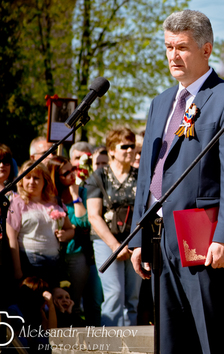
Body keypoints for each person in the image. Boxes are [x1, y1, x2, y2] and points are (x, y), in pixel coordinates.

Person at [129, 10, 224, 354]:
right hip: (159, 238)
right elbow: (147, 175)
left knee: (212, 338)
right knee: (169, 341)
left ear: (206, 49)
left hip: (202, 236)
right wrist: (138, 238)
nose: (173, 55)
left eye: (182, 47)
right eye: (168, 47)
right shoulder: (160, 103)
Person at [86, 127, 141, 326]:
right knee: (114, 294)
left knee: (132, 298)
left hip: (135, 241)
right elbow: (94, 215)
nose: (130, 150)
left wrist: (135, 243)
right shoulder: (98, 177)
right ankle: (110, 341)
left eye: (132, 146)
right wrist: (115, 245)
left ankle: (131, 340)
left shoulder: (141, 175)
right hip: (106, 241)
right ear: (111, 150)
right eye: (124, 146)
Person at [6, 160, 74, 286]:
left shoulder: (55, 202)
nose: (32, 182)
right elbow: (12, 239)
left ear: (45, 181)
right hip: (30, 263)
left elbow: (70, 229)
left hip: (55, 264)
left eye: (36, 178)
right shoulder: (17, 204)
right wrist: (17, 270)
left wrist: (65, 235)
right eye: (28, 177)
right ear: (21, 180)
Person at [45, 155, 92, 320]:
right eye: (66, 173)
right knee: (53, 302)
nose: (72, 175)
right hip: (53, 255)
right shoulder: (49, 196)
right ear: (55, 177)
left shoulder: (82, 192)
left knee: (73, 302)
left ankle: (75, 332)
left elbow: (84, 222)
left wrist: (75, 196)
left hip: (76, 252)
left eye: (73, 169)